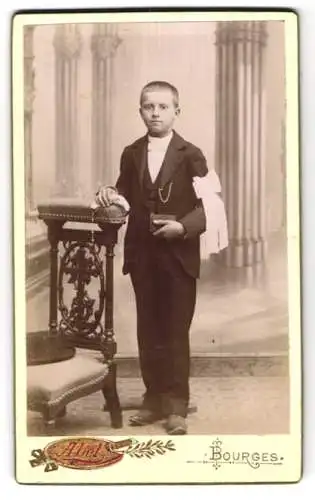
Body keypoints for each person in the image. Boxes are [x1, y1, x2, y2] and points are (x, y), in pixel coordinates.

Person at [95, 80, 220, 435]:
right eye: (149, 106)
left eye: (163, 107)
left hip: (178, 256)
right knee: (148, 329)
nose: (155, 113)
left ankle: (176, 404)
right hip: (143, 255)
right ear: (140, 111)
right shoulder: (132, 152)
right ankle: (153, 399)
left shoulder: (190, 153)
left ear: (176, 112)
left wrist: (182, 228)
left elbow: (209, 205)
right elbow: (123, 192)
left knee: (176, 330)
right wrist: (110, 193)